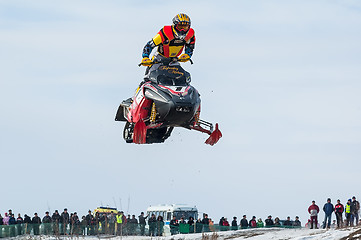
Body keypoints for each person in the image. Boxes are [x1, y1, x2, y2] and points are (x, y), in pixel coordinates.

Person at [140, 13, 195, 80]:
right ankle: (141, 89)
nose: (182, 30)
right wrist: (145, 57)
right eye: (180, 27)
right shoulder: (165, 33)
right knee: (148, 78)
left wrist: (187, 55)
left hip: (174, 60)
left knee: (183, 79)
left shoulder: (190, 34)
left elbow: (190, 46)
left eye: (185, 27)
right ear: (174, 25)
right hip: (159, 59)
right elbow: (149, 45)